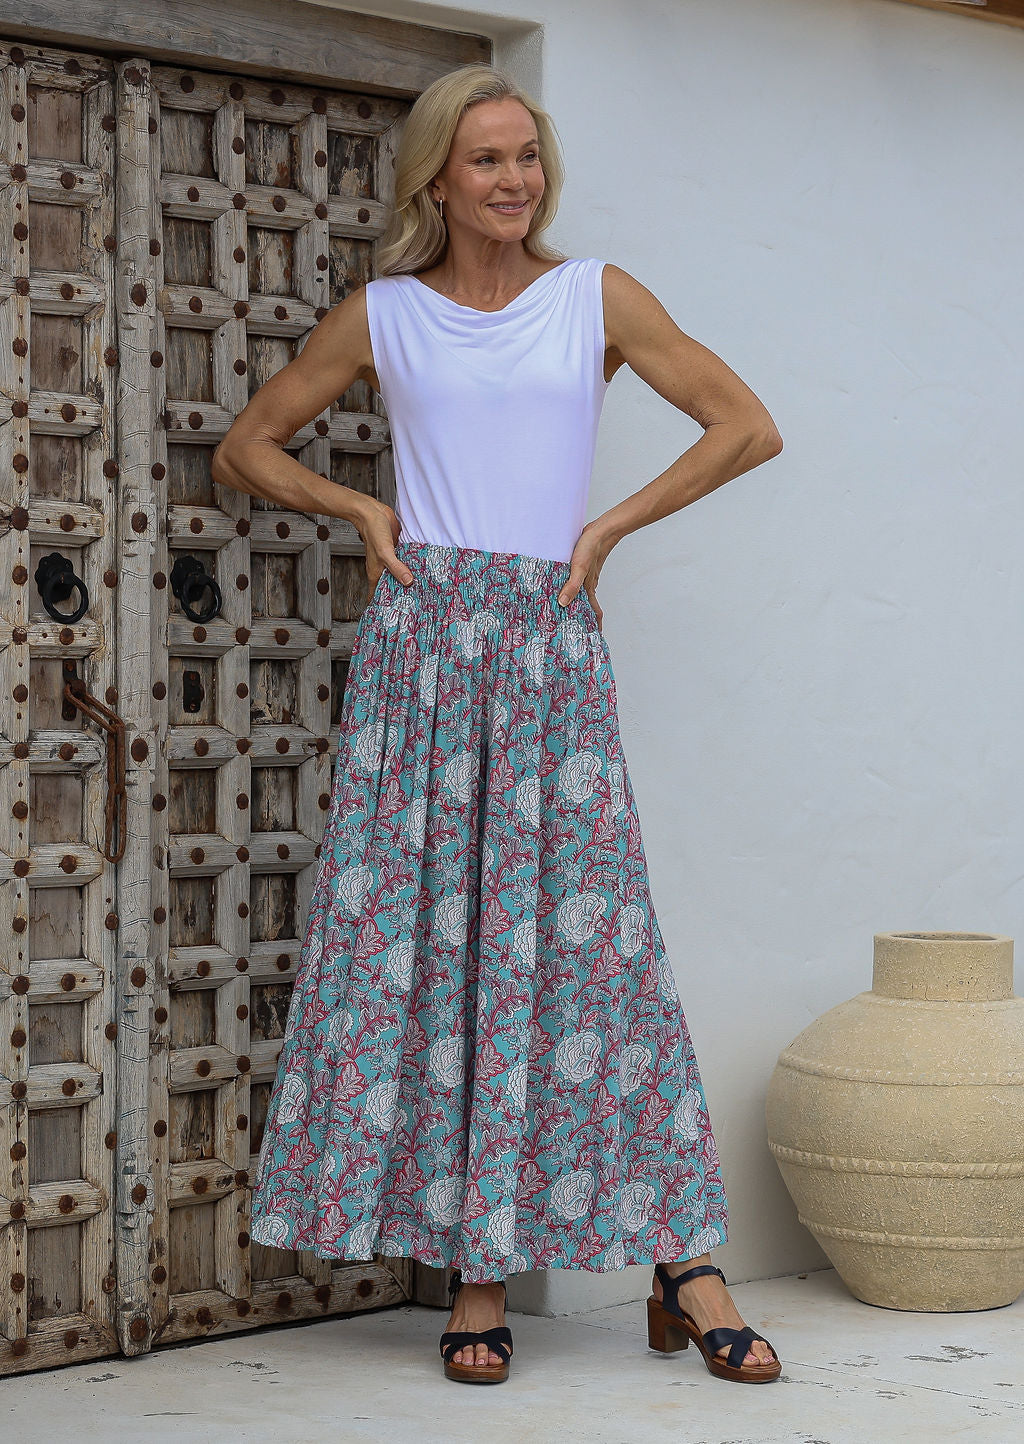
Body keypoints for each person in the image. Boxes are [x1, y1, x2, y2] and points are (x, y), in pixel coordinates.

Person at [212, 63, 783, 1387]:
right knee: (438, 947)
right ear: (437, 179)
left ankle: (682, 1258)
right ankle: (476, 1275)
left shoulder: (596, 299)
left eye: (528, 157)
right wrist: (358, 511)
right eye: (487, 161)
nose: (515, 181)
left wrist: (608, 528)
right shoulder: (386, 315)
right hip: (425, 645)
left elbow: (742, 426)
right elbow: (250, 446)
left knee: (595, 952)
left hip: (546, 641)